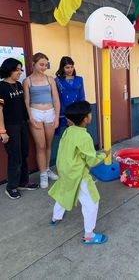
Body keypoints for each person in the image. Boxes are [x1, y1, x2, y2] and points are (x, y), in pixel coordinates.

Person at [48, 101, 109, 245]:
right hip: (78, 174)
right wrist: (103, 155)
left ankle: (55, 218)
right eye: (90, 113)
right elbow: (91, 161)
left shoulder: (68, 131)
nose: (91, 115)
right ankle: (89, 235)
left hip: (64, 171)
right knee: (92, 201)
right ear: (85, 119)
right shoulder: (84, 137)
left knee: (64, 192)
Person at [0, 58, 39, 199]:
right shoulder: (1, 87)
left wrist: (28, 121)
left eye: (20, 69)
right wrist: (2, 131)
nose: (19, 72)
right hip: (10, 127)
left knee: (24, 153)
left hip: (22, 124)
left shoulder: (18, 84)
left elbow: (23, 105)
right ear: (8, 69)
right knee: (15, 157)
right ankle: (11, 187)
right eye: (17, 69)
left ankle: (23, 182)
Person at [23, 53, 60, 189]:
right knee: (41, 146)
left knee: (49, 145)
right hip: (35, 113)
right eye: (41, 64)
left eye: (46, 65)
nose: (44, 67)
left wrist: (56, 117)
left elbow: (56, 99)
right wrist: (30, 117)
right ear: (33, 63)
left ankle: (48, 169)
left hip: (50, 113)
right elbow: (26, 100)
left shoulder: (50, 79)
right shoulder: (27, 81)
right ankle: (43, 173)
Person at [55, 56, 85, 133]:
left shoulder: (79, 79)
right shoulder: (57, 81)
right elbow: (56, 97)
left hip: (77, 111)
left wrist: (82, 111)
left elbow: (81, 96)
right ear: (62, 68)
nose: (70, 69)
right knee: (68, 134)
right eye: (67, 67)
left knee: (78, 134)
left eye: (72, 67)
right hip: (64, 112)